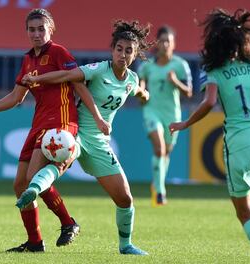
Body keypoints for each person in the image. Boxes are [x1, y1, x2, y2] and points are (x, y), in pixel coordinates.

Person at [0, 8, 109, 252]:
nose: (37, 34)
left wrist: (98, 117)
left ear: (51, 29)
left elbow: (79, 84)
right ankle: (35, 242)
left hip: (59, 124)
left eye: (41, 28)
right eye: (32, 29)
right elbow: (17, 97)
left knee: (32, 179)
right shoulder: (28, 59)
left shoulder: (59, 53)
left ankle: (68, 223)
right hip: (39, 124)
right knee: (20, 184)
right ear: (26, 32)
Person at [170, 8, 250, 264]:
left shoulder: (215, 71)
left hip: (241, 143)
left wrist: (187, 122)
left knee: (243, 212)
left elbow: (208, 103)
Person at [18, 19, 153, 255]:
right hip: (78, 133)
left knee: (125, 198)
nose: (122, 54)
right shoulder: (99, 69)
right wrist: (38, 78)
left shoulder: (131, 79)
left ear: (135, 54)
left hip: (100, 143)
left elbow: (140, 92)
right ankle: (34, 188)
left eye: (128, 51)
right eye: (119, 49)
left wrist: (144, 95)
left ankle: (126, 245)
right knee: (60, 163)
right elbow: (67, 75)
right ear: (112, 50)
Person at [137, 25, 193, 206]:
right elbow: (141, 86)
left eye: (168, 40)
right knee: (159, 149)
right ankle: (160, 192)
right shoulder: (147, 66)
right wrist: (141, 92)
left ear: (174, 44)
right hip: (151, 111)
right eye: (162, 40)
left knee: (166, 152)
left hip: (172, 114)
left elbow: (189, 93)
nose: (165, 44)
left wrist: (175, 81)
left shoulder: (180, 65)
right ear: (158, 43)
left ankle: (157, 182)